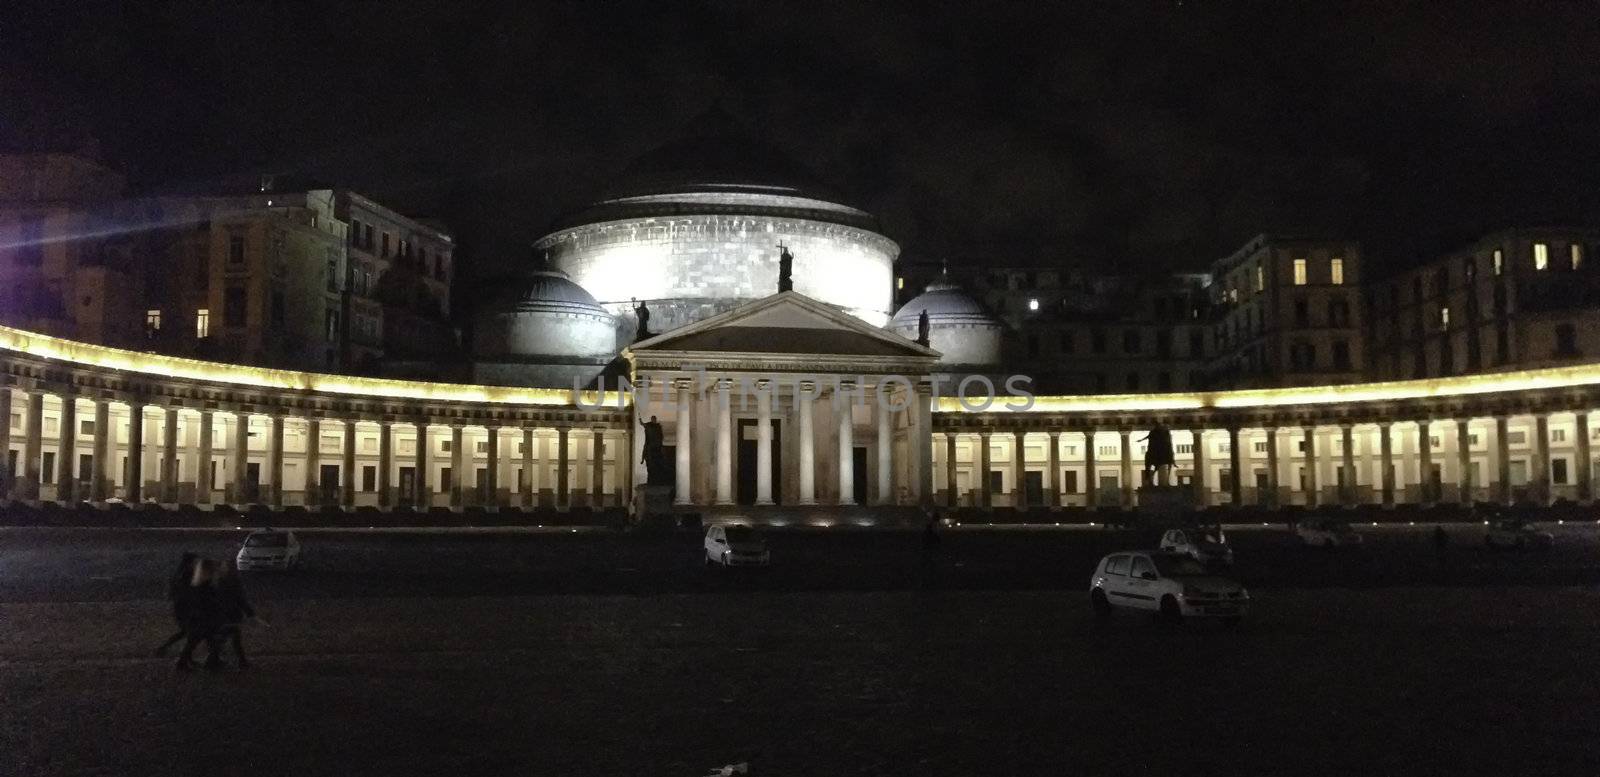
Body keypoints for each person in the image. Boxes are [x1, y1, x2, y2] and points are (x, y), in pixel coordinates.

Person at [174, 559, 224, 671]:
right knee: (198, 641)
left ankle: (212, 661)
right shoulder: (202, 587)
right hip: (202, 620)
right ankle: (183, 663)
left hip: (200, 619)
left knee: (203, 642)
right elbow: (204, 603)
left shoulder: (199, 585)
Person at [154, 552, 199, 657]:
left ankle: (166, 649)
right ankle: (183, 657)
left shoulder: (179, 573)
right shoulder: (187, 573)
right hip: (185, 607)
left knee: (187, 631)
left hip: (180, 606)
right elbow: (190, 591)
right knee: (190, 632)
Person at [212, 561, 256, 669]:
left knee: (227, 637)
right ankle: (241, 662)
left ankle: (214, 659)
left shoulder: (221, 581)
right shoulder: (233, 581)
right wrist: (249, 612)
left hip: (224, 614)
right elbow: (240, 599)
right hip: (231, 614)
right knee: (233, 638)